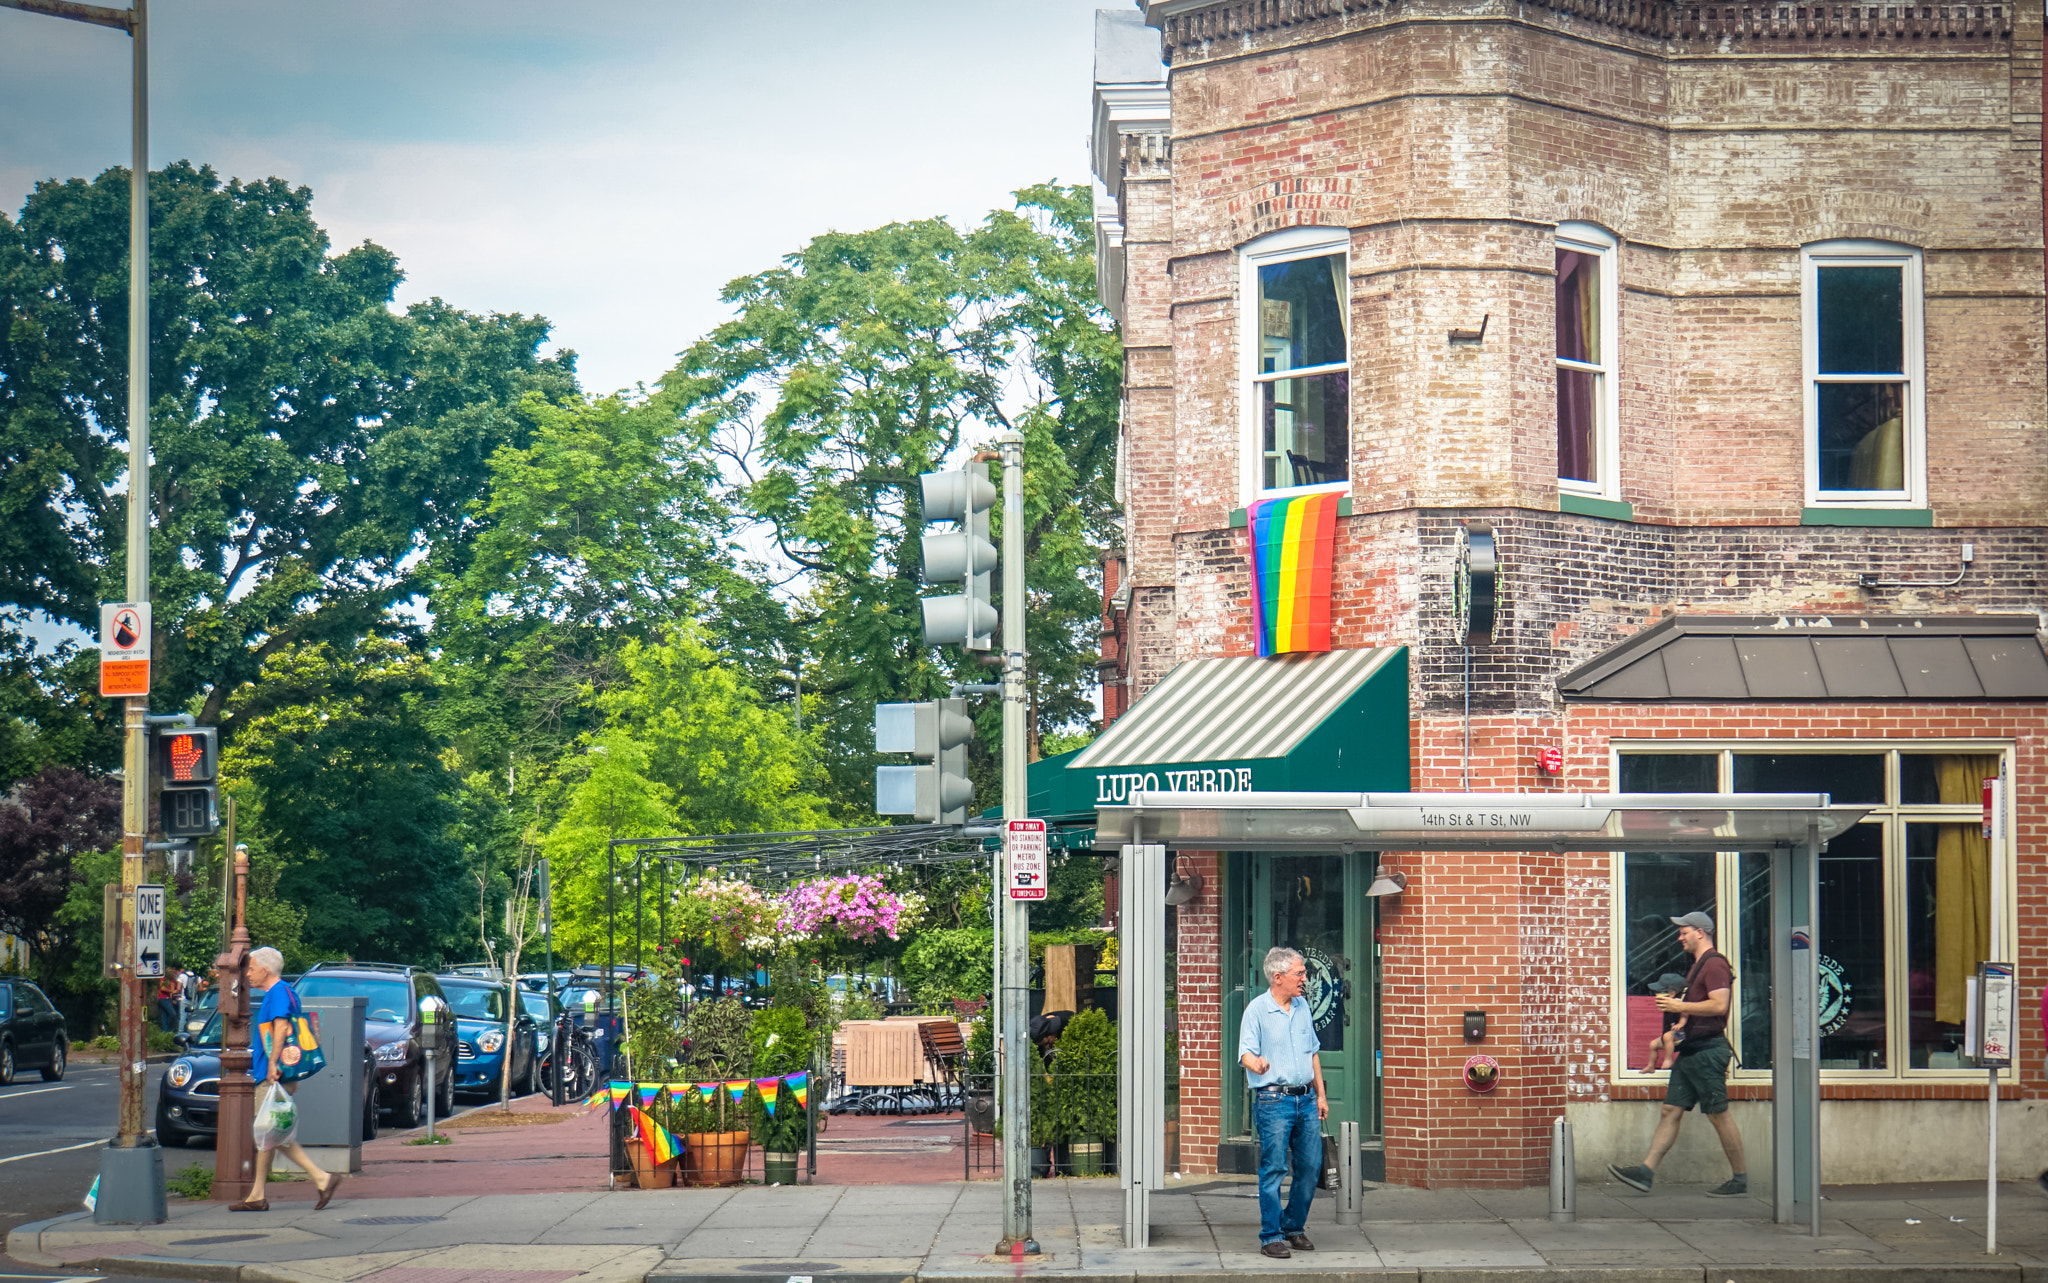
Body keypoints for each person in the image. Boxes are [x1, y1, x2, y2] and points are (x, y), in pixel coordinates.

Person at [1608, 911, 1747, 1197]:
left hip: (1708, 1051)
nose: (1679, 937)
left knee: (1718, 1115)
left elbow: (1719, 1006)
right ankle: (1645, 1173)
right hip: (1692, 1050)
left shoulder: (1715, 964)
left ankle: (1740, 1179)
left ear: (1700, 932)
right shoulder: (1698, 966)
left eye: (1684, 932)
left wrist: (1678, 1008)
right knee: (1670, 1110)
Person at [230, 947, 343, 1212]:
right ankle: (257, 1194)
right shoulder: (289, 991)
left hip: (273, 1073)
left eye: (251, 968)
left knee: (271, 1133)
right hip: (282, 1073)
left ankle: (321, 1177)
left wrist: (272, 1065)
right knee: (270, 1133)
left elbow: (280, 1026)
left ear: (265, 970)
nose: (248, 974)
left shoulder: (278, 993)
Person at [1237, 946, 1327, 1259]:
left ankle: (1293, 1226)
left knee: (1311, 1166)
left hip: (1306, 1100)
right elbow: (1245, 1052)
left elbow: (1312, 1051)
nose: (1305, 978)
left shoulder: (1302, 1006)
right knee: (1274, 1168)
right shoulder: (1257, 1010)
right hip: (1273, 1101)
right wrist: (1256, 1065)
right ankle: (1270, 1235)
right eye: (1299, 973)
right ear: (1278, 978)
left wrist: (1321, 1095)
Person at [1642, 972, 1691, 1072]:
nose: (1656, 995)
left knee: (1667, 1036)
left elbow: (1685, 1013)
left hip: (1680, 1034)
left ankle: (1668, 1060)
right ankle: (1651, 1066)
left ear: (1672, 993)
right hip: (1668, 1036)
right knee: (1653, 1044)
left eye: (1660, 991)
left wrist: (1681, 1024)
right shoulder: (1666, 1005)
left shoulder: (1678, 1003)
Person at [156, 967, 182, 1032]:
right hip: (163, 998)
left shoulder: (173, 979)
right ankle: (169, 1029)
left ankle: (164, 1031)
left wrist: (174, 993)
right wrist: (171, 991)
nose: (172, 972)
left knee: (165, 1015)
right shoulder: (163, 978)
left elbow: (175, 988)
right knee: (172, 1014)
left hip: (169, 999)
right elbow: (162, 988)